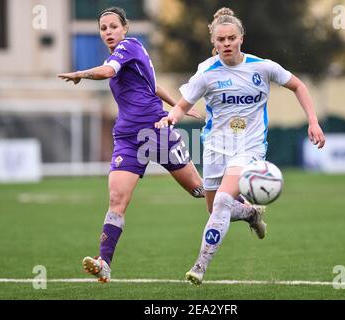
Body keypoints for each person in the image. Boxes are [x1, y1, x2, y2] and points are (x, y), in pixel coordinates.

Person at [58, 7, 265, 283]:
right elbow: (152, 85)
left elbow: (108, 72)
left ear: (125, 28)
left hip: (157, 132)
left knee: (201, 191)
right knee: (117, 200)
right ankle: (104, 262)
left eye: (113, 27)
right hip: (128, 138)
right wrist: (178, 104)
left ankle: (248, 211)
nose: (108, 32)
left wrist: (81, 73)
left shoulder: (128, 47)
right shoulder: (126, 57)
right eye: (103, 28)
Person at [156, 7, 326, 285]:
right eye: (220, 40)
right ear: (214, 42)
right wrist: (170, 119)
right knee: (215, 209)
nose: (226, 44)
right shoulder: (206, 74)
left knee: (223, 201)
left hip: (250, 147)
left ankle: (200, 265)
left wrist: (313, 121)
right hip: (214, 148)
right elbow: (182, 106)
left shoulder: (262, 66)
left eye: (231, 38)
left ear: (241, 38)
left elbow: (299, 86)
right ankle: (250, 213)